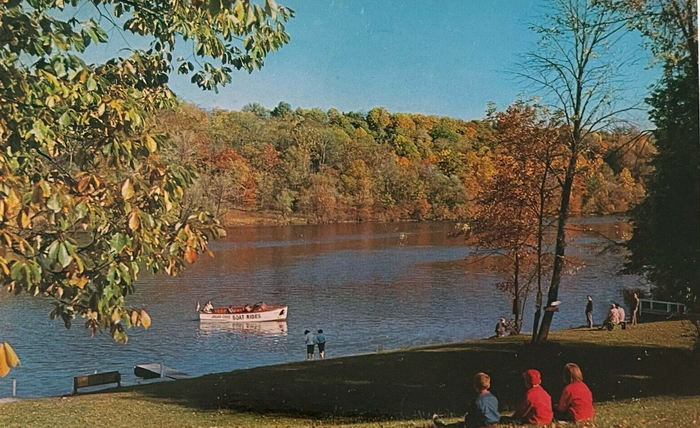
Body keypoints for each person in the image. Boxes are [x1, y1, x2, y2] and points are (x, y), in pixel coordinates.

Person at [433, 372, 500, 428]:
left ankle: (443, 426)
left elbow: (469, 419)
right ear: (489, 385)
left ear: (475, 386)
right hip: (494, 425)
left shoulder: (476, 401)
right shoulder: (494, 398)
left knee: (457, 425)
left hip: (480, 426)